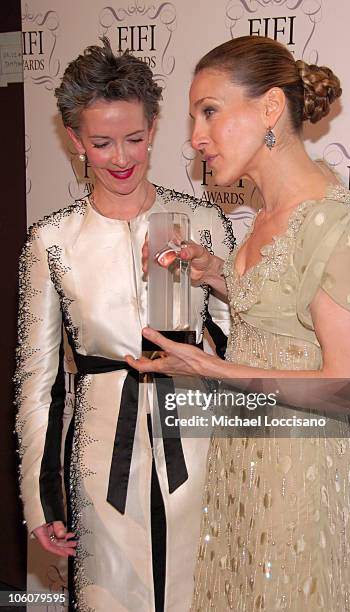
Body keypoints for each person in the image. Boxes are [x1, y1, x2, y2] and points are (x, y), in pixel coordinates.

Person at [126, 36, 350, 611]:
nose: (194, 137)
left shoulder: (332, 224)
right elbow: (284, 320)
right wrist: (215, 273)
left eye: (210, 111)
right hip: (244, 456)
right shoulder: (266, 212)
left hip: (297, 470)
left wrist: (212, 368)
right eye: (194, 116)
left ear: (269, 109)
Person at [14, 39, 234, 612]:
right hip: (97, 457)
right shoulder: (52, 241)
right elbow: (37, 384)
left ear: (156, 126)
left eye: (134, 138)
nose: (120, 158)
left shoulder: (203, 221)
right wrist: (40, 500)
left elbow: (244, 345)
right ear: (73, 138)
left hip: (201, 445)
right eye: (101, 142)